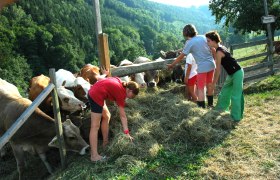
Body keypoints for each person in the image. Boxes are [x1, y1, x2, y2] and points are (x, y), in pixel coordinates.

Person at [87, 76, 139, 162]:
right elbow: (123, 116)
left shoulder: (119, 80)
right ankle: (94, 156)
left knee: (107, 116)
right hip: (95, 96)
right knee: (95, 126)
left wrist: (105, 74)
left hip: (95, 91)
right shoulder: (121, 93)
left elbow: (101, 79)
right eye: (132, 96)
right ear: (129, 90)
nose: (130, 98)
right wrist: (126, 133)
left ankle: (105, 143)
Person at [167, 24, 216, 108]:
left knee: (200, 88)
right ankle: (211, 105)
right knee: (209, 84)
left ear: (185, 34)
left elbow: (181, 56)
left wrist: (172, 65)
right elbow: (213, 49)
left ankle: (202, 107)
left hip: (202, 67)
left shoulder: (189, 42)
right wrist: (214, 58)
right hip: (211, 64)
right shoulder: (203, 37)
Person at [205, 31, 244, 121]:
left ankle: (235, 117)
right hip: (231, 74)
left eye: (208, 41)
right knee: (224, 92)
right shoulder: (220, 48)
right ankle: (220, 110)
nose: (207, 43)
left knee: (236, 96)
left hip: (237, 72)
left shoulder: (219, 51)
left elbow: (218, 69)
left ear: (214, 41)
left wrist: (213, 83)